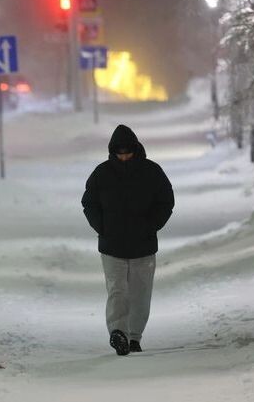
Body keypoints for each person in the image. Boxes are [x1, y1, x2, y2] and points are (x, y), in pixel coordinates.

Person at [81, 124, 174, 356]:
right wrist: (101, 227)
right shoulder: (101, 174)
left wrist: (151, 225)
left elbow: (165, 201)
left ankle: (134, 336)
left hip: (143, 245)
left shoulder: (152, 172)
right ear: (112, 152)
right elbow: (89, 202)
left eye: (127, 152)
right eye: (119, 153)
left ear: (135, 149)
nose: (123, 157)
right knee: (117, 291)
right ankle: (118, 333)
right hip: (112, 246)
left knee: (141, 293)